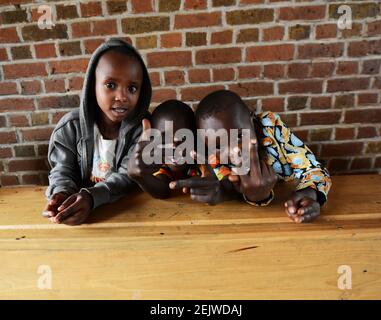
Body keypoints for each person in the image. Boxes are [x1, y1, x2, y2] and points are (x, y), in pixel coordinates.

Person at [171, 90, 332, 223]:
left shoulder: (270, 128)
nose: (234, 151)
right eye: (219, 146)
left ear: (253, 121)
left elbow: (315, 169)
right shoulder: (211, 157)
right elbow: (228, 186)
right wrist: (245, 194)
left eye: (239, 136)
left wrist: (311, 194)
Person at [43, 38, 152, 225]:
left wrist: (92, 197)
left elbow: (127, 178)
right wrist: (61, 194)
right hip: (84, 221)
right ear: (92, 85)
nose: (122, 96)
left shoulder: (142, 130)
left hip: (125, 217)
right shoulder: (70, 127)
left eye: (132, 88)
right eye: (111, 85)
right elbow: (62, 170)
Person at [128, 99, 230, 202]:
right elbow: (162, 190)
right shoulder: (161, 160)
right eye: (164, 140)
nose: (174, 147)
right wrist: (137, 176)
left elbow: (229, 182)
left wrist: (220, 190)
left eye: (184, 139)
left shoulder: (205, 156)